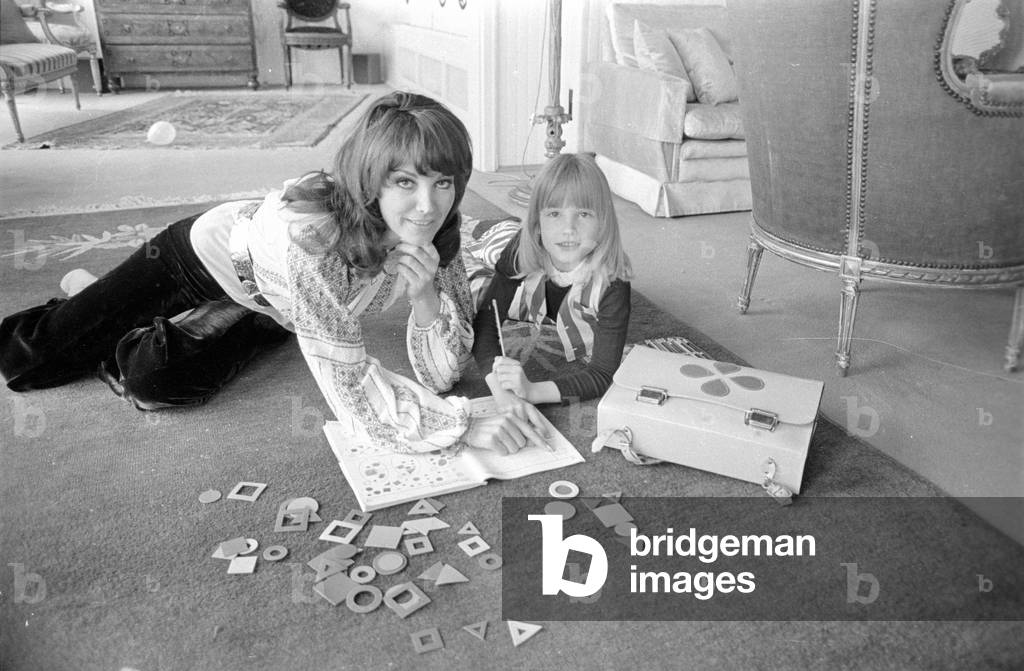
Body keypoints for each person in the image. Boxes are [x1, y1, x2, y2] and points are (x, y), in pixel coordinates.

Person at [0, 91, 546, 455]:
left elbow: (441, 373)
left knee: (155, 381)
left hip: (278, 303)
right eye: (405, 182)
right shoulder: (312, 239)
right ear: (371, 178)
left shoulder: (438, 235)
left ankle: (118, 318)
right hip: (202, 259)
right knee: (31, 362)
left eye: (443, 183)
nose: (428, 206)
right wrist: (462, 425)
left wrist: (426, 296)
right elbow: (352, 388)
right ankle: (81, 302)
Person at [472, 152, 632, 411]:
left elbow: (603, 374)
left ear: (603, 222)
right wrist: (499, 388)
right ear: (537, 222)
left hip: (557, 289)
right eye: (555, 213)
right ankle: (492, 228)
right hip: (518, 250)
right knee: (483, 257)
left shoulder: (613, 283)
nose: (569, 228)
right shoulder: (520, 250)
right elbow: (486, 321)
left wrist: (534, 391)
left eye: (583, 214)